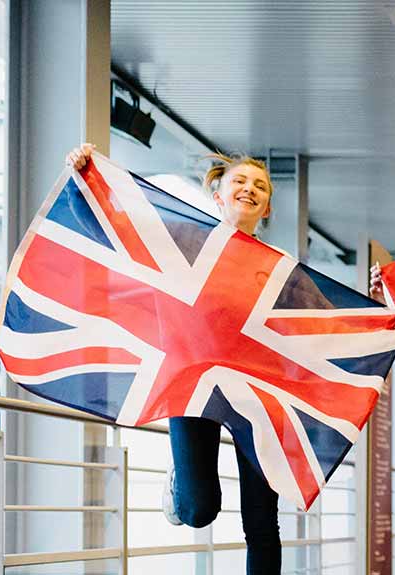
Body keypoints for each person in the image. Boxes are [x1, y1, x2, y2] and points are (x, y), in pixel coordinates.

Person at [67, 143, 295, 575]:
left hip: (258, 395)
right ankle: (179, 485)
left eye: (260, 187)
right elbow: (115, 234)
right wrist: (84, 180)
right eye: (241, 182)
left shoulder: (279, 267)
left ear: (266, 208)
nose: (250, 190)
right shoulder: (187, 241)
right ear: (218, 196)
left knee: (263, 521)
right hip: (195, 387)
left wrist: (382, 314)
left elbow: (329, 318)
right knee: (198, 510)